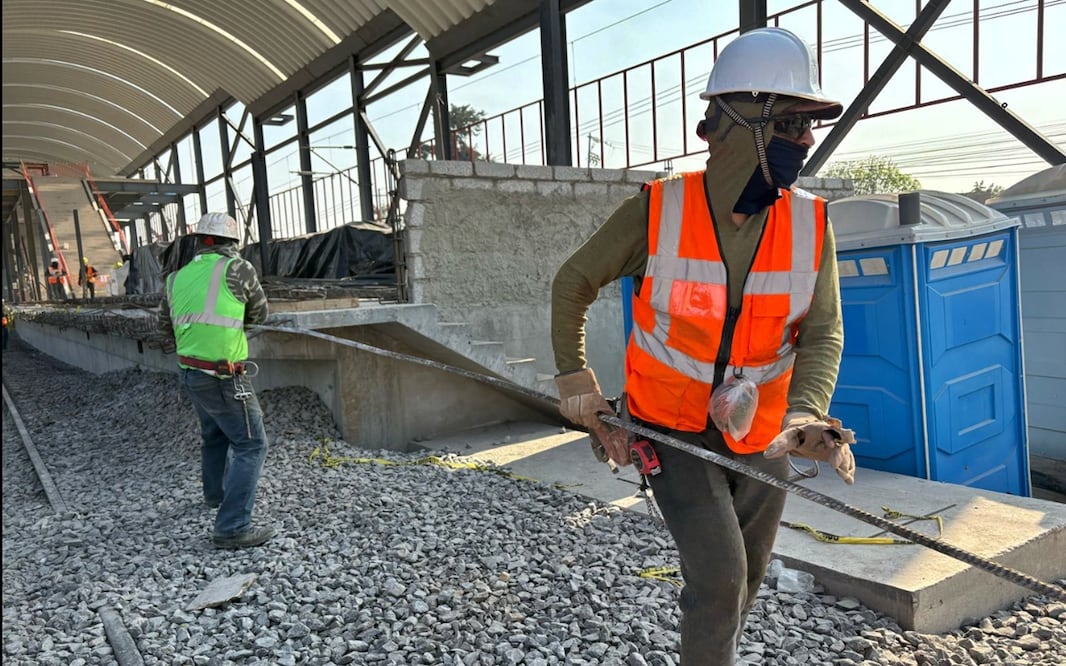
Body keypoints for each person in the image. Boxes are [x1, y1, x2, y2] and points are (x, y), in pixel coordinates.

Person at [550, 27, 856, 665]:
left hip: (767, 431)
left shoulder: (811, 222)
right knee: (718, 576)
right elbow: (574, 281)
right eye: (794, 124)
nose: (805, 141)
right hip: (671, 429)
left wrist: (805, 412)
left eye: (809, 129)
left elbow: (822, 328)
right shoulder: (658, 210)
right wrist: (576, 381)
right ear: (740, 124)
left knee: (743, 577)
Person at [157, 212, 275, 550]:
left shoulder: (175, 278)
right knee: (252, 445)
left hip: (191, 372)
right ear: (230, 244)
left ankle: (215, 495)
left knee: (214, 433)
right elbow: (259, 313)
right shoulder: (238, 269)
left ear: (201, 241)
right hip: (224, 375)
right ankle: (232, 527)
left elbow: (163, 329)